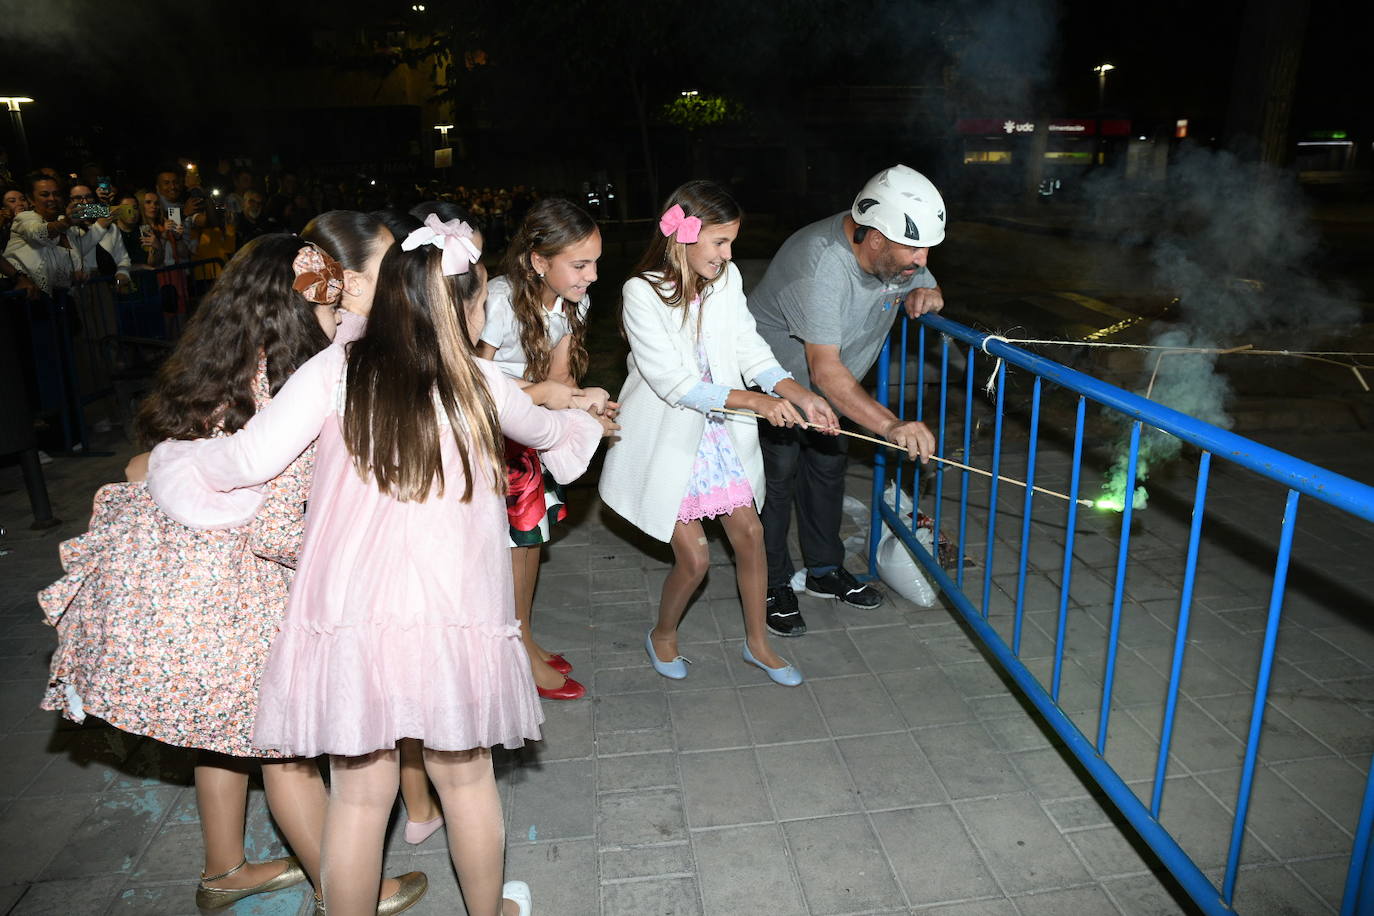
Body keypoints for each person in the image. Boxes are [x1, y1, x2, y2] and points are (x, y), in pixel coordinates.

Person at [145, 216, 613, 916]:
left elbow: (247, 461)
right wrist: (592, 419)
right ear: (461, 309)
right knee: (468, 782)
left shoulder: (334, 370)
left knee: (361, 800)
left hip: (352, 612)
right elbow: (551, 438)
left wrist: (173, 460)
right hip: (451, 611)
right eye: (481, 302)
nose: (484, 313)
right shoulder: (482, 380)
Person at [39, 218, 432, 914]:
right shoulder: (290, 387)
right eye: (325, 302)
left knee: (222, 730)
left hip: (178, 579)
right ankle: (350, 892)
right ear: (292, 308)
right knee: (284, 747)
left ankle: (224, 871)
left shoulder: (222, 361)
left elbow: (159, 460)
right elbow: (283, 527)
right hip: (234, 587)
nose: (337, 311)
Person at [599, 181, 838, 686]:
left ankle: (758, 643)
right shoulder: (640, 292)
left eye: (731, 242)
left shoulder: (725, 281)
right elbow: (674, 384)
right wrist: (757, 402)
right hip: (668, 440)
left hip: (720, 435)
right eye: (720, 242)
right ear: (682, 237)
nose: (729, 255)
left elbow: (750, 348)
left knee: (751, 536)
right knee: (696, 558)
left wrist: (798, 392)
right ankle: (663, 634)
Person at [747, 164, 945, 635]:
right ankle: (771, 585)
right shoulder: (820, 266)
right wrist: (892, 426)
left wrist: (930, 291)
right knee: (774, 486)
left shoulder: (891, 252)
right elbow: (825, 370)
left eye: (927, 251)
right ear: (873, 238)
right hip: (777, 388)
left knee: (827, 473)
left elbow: (921, 277)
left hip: (833, 397)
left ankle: (823, 571)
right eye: (913, 250)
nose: (920, 259)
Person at [476, 198, 610, 700]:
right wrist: (550, 398)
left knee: (530, 546)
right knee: (517, 549)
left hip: (526, 431)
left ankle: (522, 639)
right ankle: (519, 650)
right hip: (492, 439)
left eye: (595, 262)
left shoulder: (571, 300)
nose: (592, 275)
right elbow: (473, 390)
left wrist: (582, 403)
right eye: (580, 265)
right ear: (538, 261)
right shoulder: (500, 301)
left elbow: (559, 377)